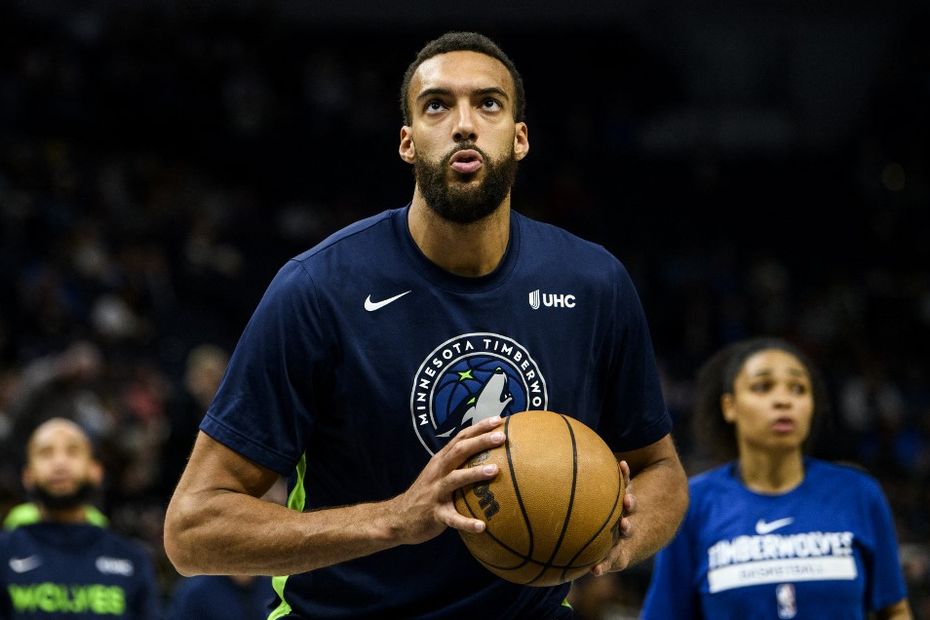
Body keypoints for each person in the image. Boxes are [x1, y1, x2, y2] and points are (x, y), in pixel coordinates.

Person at [164, 31, 688, 619]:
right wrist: (394, 519)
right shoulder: (318, 289)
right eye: (437, 105)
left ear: (519, 139)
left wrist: (616, 539)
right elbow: (193, 528)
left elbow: (660, 469)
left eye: (488, 103)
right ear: (408, 143)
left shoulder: (595, 283)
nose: (464, 124)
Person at [640, 337, 912, 619]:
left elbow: (893, 610)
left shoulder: (858, 492)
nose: (783, 400)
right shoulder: (692, 504)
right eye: (763, 387)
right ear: (729, 406)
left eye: (799, 389)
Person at [0, 417, 161, 619]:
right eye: (45, 453)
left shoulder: (132, 559)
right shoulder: (4, 553)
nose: (60, 463)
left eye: (73, 451)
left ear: (96, 471)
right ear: (28, 475)